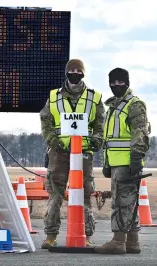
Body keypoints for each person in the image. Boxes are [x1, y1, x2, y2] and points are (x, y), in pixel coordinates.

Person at [39, 59, 105, 249]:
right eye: (72, 70)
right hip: (59, 153)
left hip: (84, 154)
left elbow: (101, 124)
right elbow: (46, 121)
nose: (75, 73)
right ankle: (50, 236)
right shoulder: (53, 97)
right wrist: (53, 140)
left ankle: (85, 235)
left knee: (84, 195)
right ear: (66, 73)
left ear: (83, 73)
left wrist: (96, 141)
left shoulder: (95, 98)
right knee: (55, 196)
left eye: (78, 70)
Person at [93, 67, 150, 254]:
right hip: (117, 162)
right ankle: (132, 242)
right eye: (113, 82)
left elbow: (140, 133)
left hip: (127, 162)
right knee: (129, 202)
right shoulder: (114, 107)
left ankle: (118, 242)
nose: (116, 85)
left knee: (122, 202)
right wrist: (108, 163)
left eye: (120, 82)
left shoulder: (134, 104)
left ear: (127, 82)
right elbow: (111, 139)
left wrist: (135, 158)